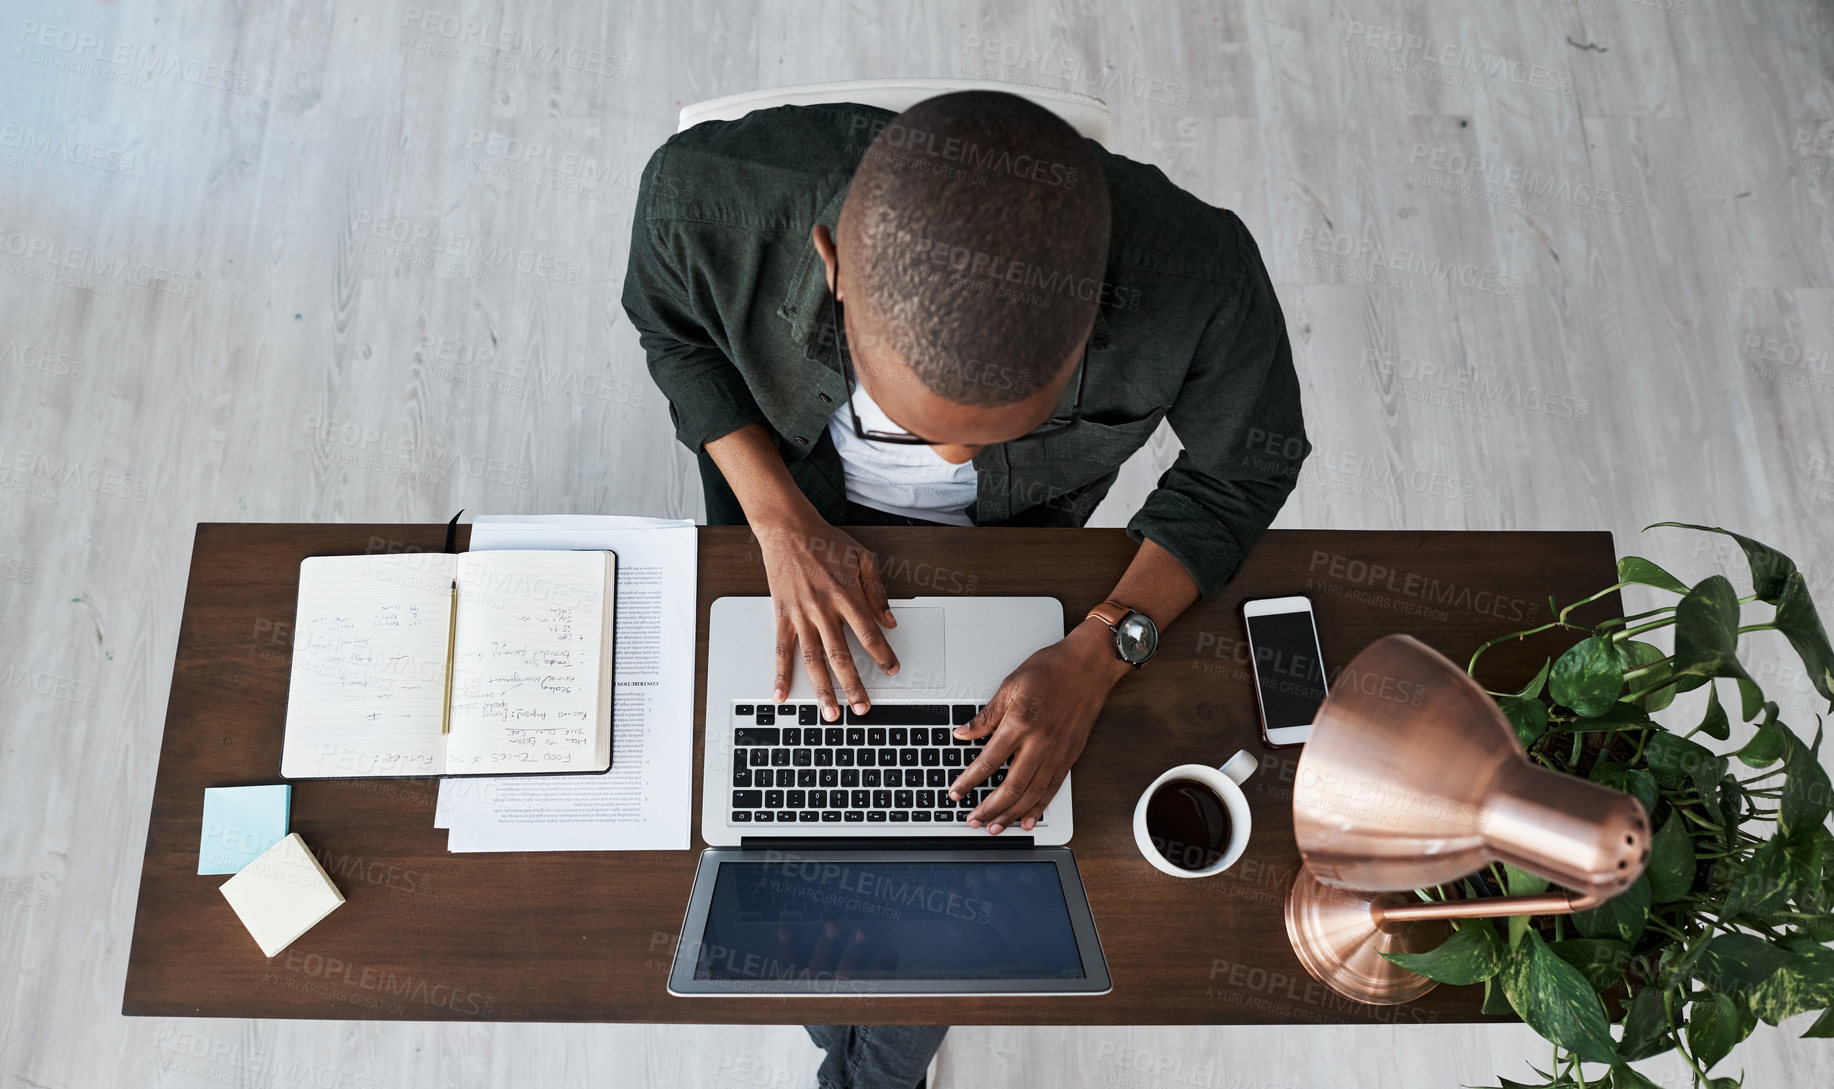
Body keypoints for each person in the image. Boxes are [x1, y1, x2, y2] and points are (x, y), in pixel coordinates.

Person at [622, 90, 1309, 1089]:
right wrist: (777, 520)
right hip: (776, 523)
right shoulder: (704, 196)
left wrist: (1105, 645)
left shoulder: (1198, 276)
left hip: (1019, 559)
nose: (943, 456)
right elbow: (673, 335)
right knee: (781, 834)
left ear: (1090, 327)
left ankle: (871, 1074)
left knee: (968, 875)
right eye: (913, 416)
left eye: (996, 435)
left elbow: (1245, 465)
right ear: (830, 269)